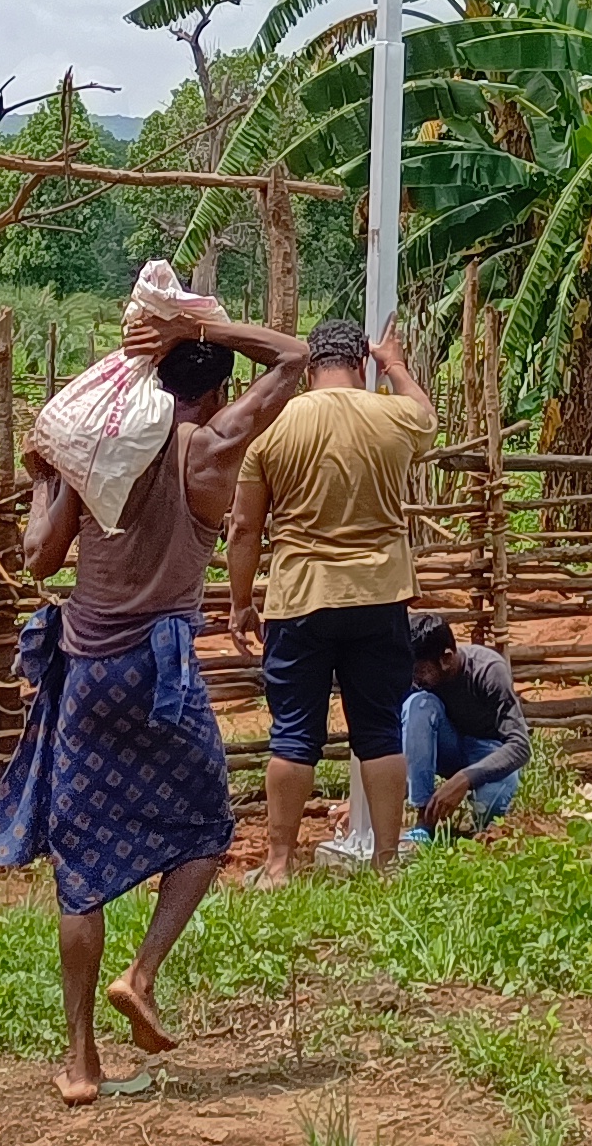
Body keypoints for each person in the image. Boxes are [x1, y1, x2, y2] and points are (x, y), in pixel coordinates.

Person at [0, 302, 313, 1107]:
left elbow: (38, 558)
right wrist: (197, 330)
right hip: (163, 675)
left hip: (87, 672)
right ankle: (143, 972)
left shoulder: (101, 455)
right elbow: (295, 357)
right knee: (206, 829)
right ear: (217, 388)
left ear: (155, 380)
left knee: (79, 871)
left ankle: (80, 1062)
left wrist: (45, 479)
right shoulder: (212, 449)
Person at [226, 319, 436, 885]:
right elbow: (427, 419)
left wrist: (241, 602)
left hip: (300, 597)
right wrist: (395, 365)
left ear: (309, 370)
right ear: (360, 365)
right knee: (380, 730)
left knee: (294, 733)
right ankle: (387, 860)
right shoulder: (391, 415)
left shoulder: (274, 429)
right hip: (379, 594)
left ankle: (278, 864)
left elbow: (244, 528)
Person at [401, 613, 530, 842]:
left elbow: (520, 746)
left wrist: (465, 778)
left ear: (446, 658)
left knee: (488, 811)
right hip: (449, 747)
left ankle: (477, 829)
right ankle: (424, 820)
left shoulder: (488, 670)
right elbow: (399, 732)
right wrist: (369, 799)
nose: (415, 678)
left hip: (487, 752)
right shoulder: (418, 679)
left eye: (420, 670)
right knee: (417, 705)